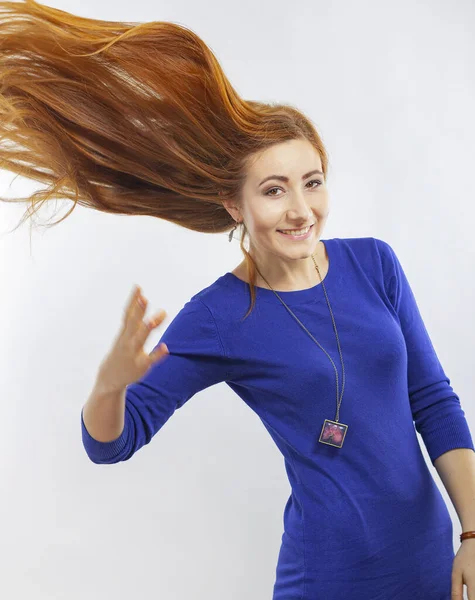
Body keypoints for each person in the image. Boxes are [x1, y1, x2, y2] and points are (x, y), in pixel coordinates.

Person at [1, 2, 473, 598]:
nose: (301, 210)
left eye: (313, 181)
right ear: (236, 206)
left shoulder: (374, 263)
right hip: (330, 579)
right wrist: (110, 385)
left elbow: (432, 400)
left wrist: (473, 535)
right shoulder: (224, 315)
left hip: (433, 562)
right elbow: (110, 444)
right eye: (274, 191)